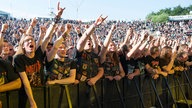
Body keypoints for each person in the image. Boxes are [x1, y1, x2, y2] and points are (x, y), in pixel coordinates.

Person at [13, 2, 65, 108]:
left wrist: (57, 17)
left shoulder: (38, 54)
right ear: (23, 46)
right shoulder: (19, 58)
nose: (30, 42)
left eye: (31, 40)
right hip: (26, 95)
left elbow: (47, 37)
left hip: (41, 91)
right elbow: (25, 82)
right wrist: (32, 102)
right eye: (26, 41)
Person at [75, 15, 106, 108]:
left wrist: (95, 79)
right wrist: (94, 25)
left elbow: (101, 70)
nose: (88, 42)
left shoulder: (95, 56)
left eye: (90, 41)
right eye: (86, 41)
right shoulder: (78, 53)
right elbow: (82, 40)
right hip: (78, 89)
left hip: (93, 87)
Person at [0, 23, 21, 108]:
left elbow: (18, 83)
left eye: (7, 46)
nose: (5, 48)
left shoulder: (7, 63)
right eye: (3, 46)